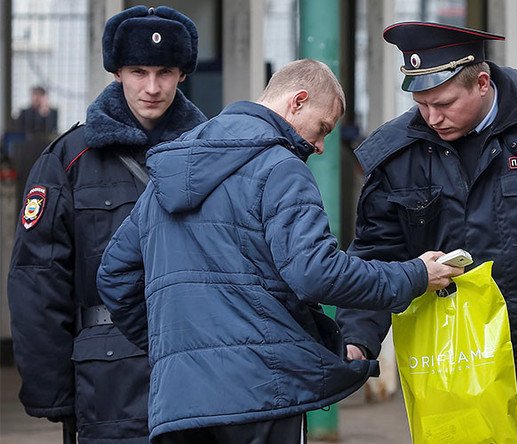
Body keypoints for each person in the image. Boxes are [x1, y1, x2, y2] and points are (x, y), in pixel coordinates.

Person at [95, 58, 463, 444]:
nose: (320, 147)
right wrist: (416, 275)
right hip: (263, 395)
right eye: (322, 129)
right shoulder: (280, 167)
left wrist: (179, 349)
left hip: (178, 404)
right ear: (298, 102)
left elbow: (114, 276)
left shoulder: (170, 170)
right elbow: (316, 273)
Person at [335, 21, 517, 437]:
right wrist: (356, 339)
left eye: (443, 103)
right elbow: (376, 252)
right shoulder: (400, 154)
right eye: (421, 104)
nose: (432, 118)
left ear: (482, 83)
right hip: (453, 361)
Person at [7, 6, 206, 443]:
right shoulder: (68, 160)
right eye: (138, 71)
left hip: (201, 375)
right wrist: (54, 391)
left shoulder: (212, 156)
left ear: (182, 75)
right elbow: (38, 280)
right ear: (117, 72)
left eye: (164, 72)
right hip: (106, 386)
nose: (151, 88)